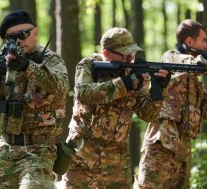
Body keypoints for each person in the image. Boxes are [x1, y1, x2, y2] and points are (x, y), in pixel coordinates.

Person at [0, 10, 69, 188]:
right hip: (5, 152)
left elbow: (61, 86)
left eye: (22, 35)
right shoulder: (1, 61)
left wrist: (28, 66)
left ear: (34, 33)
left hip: (38, 152)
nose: (18, 41)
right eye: (11, 38)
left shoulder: (50, 59)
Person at [63, 27, 170, 188]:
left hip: (117, 162)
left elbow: (147, 114)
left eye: (132, 54)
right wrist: (124, 84)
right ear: (106, 54)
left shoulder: (134, 73)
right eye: (125, 55)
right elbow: (83, 94)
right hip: (83, 156)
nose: (129, 59)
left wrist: (158, 90)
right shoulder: (89, 65)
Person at [135, 19, 207, 188]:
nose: (206, 45)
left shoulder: (195, 84)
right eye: (204, 40)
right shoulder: (172, 58)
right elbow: (189, 64)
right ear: (190, 41)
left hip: (183, 151)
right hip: (162, 145)